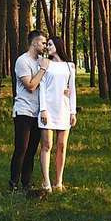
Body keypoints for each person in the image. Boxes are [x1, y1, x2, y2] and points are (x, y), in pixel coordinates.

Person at [9, 30, 48, 194]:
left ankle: (26, 183)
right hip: (23, 111)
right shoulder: (22, 61)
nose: (45, 46)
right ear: (33, 43)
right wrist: (42, 70)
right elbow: (31, 86)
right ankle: (13, 184)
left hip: (37, 113)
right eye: (42, 43)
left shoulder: (42, 61)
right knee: (21, 148)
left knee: (32, 150)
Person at [36, 36, 77, 193]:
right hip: (48, 109)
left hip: (64, 109)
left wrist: (72, 112)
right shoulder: (46, 65)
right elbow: (42, 88)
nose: (47, 46)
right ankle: (46, 182)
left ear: (59, 45)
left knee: (62, 145)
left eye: (50, 44)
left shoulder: (69, 66)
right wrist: (43, 109)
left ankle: (58, 182)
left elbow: (72, 90)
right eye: (46, 44)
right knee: (47, 145)